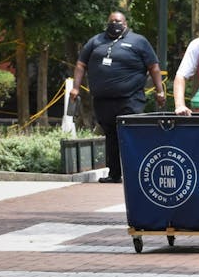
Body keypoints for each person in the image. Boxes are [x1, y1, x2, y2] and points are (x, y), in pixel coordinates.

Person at [70, 11, 164, 184]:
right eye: (112, 21)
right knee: (111, 136)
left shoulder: (138, 41)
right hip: (103, 100)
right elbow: (81, 64)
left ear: (125, 24)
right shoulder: (96, 41)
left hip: (130, 99)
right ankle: (114, 174)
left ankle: (137, 174)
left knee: (131, 135)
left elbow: (154, 67)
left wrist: (160, 90)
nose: (115, 24)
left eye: (118, 21)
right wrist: (76, 87)